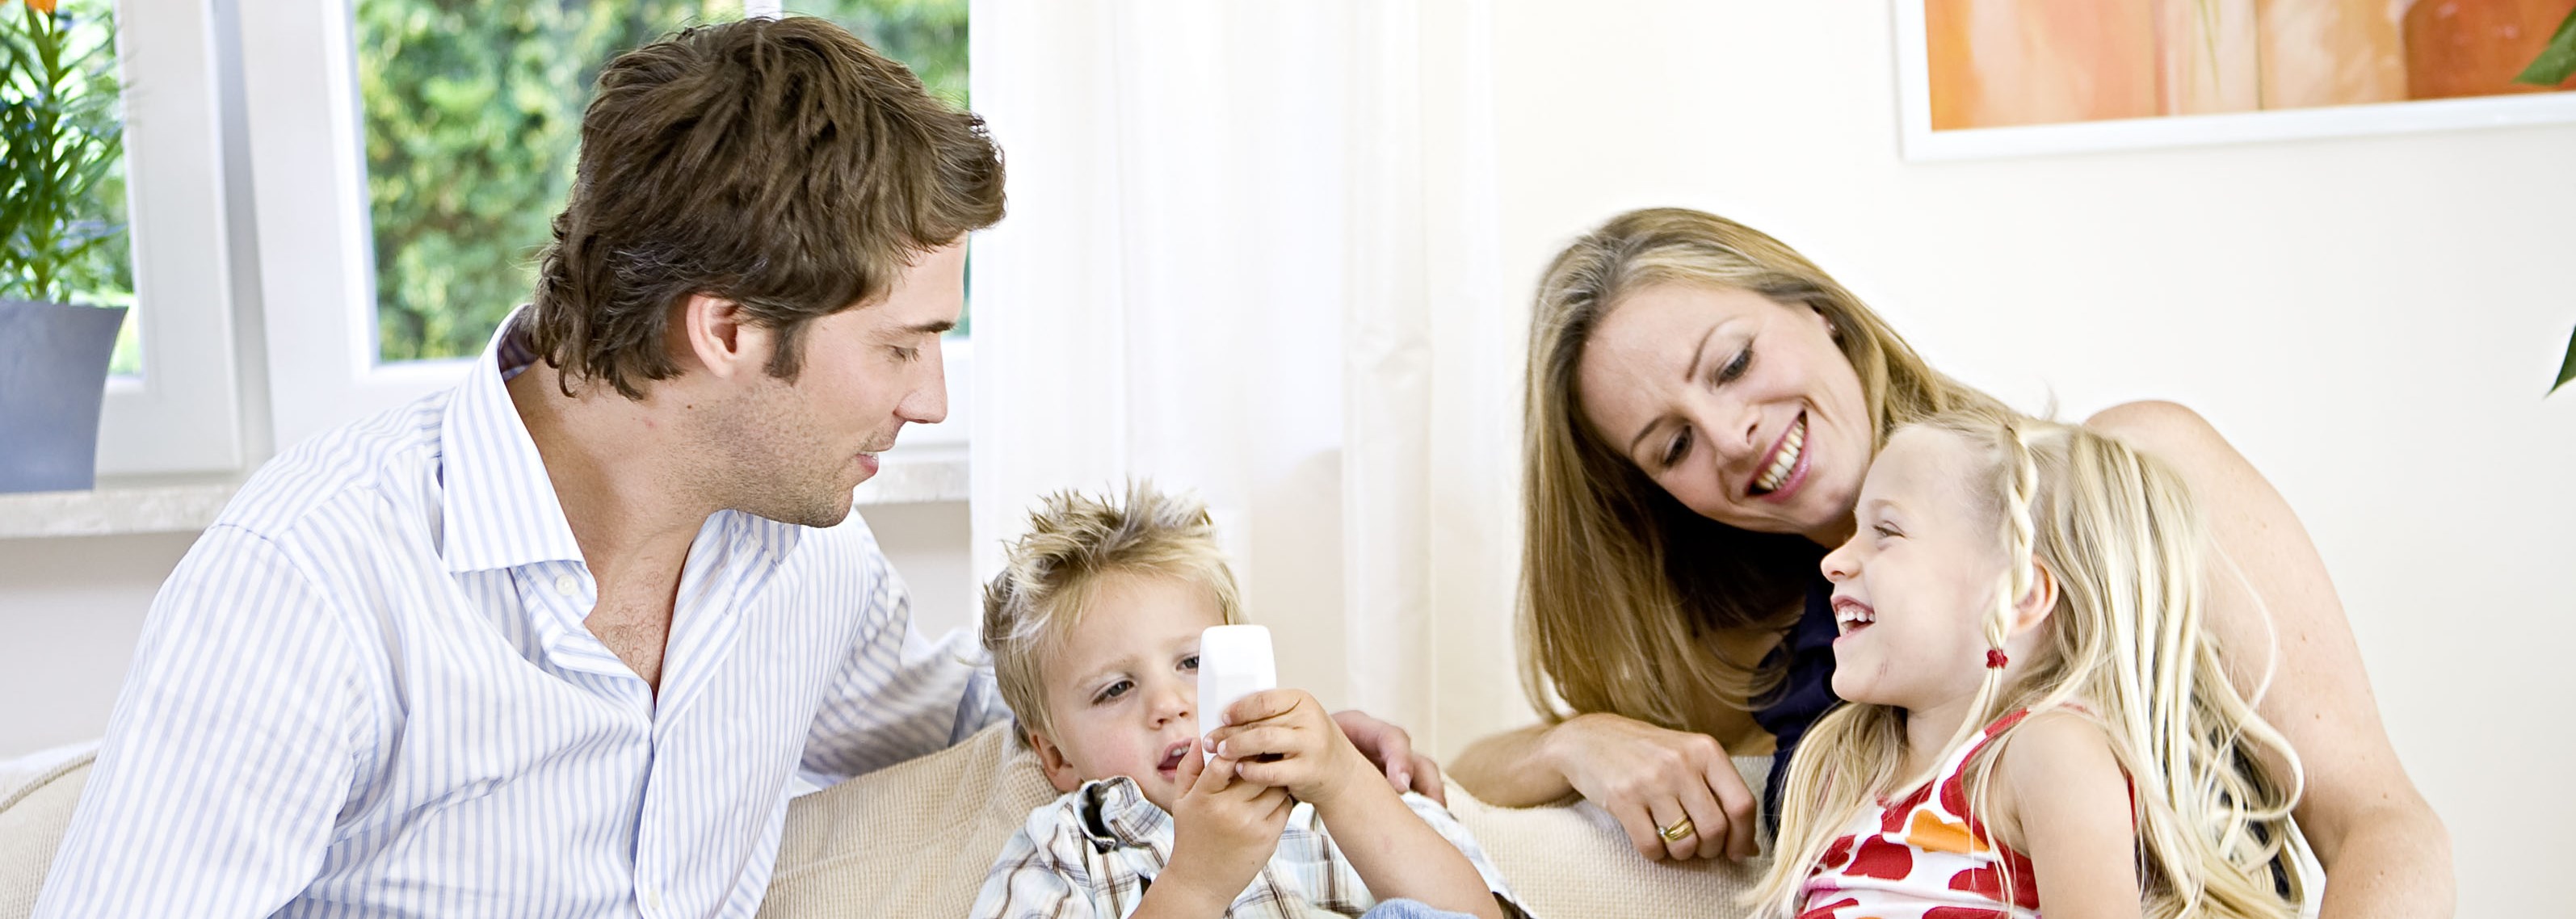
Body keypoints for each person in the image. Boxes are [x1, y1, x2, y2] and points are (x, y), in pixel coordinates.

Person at [31, 18, 1435, 917]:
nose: (933, 397)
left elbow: (974, 706)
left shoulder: (800, 557)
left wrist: (1244, 720)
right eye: (900, 346)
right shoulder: (314, 580)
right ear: (725, 329)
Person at [1448, 208, 2452, 917]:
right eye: (1671, 446)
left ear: (1822, 315)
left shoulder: (2136, 478)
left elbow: (2379, 820)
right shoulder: (1807, 653)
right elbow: (1468, 778)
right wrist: (1574, 742)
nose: (1732, 432)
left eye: (1734, 362)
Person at [1749, 406, 2303, 918]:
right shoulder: (1841, 762)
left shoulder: (2047, 749)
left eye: (1886, 532)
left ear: (2015, 597)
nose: (1834, 562)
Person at [970, 485, 1519, 919]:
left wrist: (1347, 784)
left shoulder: (1332, 792)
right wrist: (1194, 884)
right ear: (1056, 757)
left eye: (1194, 663)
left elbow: (1474, 915)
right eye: (1115, 688)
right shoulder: (1063, 850)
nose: (1169, 704)